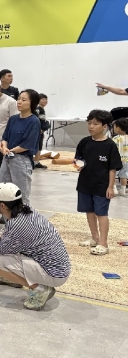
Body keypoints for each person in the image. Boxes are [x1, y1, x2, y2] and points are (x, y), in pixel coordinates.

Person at [0, 183, 70, 311]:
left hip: (53, 274)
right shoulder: (26, 210)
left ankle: (40, 288)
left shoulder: (18, 225)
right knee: (8, 248)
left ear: (3, 206)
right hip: (58, 268)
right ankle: (13, 278)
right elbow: (9, 238)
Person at [74, 109, 122, 255]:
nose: (91, 126)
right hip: (85, 183)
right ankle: (94, 238)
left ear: (105, 126)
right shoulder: (84, 142)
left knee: (101, 213)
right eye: (89, 123)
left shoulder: (110, 145)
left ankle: (103, 243)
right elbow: (78, 159)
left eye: (95, 124)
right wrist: (77, 164)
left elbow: (112, 168)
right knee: (89, 211)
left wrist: (110, 187)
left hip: (102, 185)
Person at [0, 90, 42, 210]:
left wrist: (10, 150)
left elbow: (27, 145)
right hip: (7, 158)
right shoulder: (13, 119)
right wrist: (4, 147)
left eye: (24, 100)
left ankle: (23, 220)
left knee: (21, 195)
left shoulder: (34, 121)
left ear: (32, 103)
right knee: (3, 192)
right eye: (19, 99)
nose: (19, 102)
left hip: (21, 160)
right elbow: (5, 137)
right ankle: (7, 220)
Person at [34, 94, 51, 169]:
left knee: (39, 147)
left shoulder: (42, 110)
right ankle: (35, 162)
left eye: (46, 99)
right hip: (37, 131)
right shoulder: (38, 109)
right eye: (43, 99)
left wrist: (43, 131)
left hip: (40, 131)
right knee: (37, 146)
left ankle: (36, 162)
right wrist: (39, 129)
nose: (45, 101)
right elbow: (36, 120)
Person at [113, 118, 128, 195]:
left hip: (117, 160)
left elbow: (112, 150)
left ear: (118, 128)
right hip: (127, 160)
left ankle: (114, 190)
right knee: (124, 176)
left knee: (113, 175)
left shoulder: (115, 139)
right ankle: (123, 191)